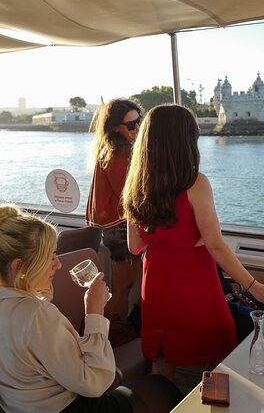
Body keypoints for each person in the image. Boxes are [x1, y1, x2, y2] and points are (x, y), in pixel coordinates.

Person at [122, 104, 264, 381]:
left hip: (156, 284)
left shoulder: (136, 184)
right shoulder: (196, 183)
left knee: (162, 364)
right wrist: (255, 287)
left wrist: (164, 237)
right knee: (213, 364)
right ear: (185, 141)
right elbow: (216, 246)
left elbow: (134, 246)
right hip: (195, 284)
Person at [0, 203, 181, 413]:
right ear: (18, 267)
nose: (58, 264)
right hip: (67, 407)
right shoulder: (36, 315)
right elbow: (95, 384)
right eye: (49, 257)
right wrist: (94, 312)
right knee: (162, 388)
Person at [86, 98, 144, 345]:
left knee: (123, 285)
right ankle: (114, 336)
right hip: (120, 227)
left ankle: (115, 331)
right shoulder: (119, 150)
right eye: (130, 125)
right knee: (122, 287)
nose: (136, 129)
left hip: (114, 226)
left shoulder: (108, 147)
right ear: (115, 126)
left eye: (138, 122)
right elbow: (127, 191)